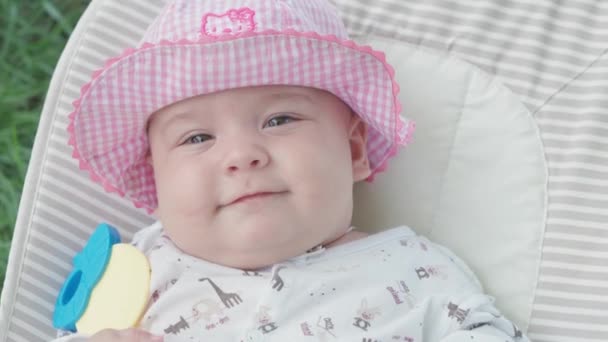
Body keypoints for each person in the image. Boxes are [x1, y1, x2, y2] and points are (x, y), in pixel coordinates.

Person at [56, 0, 529, 341]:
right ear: (155, 180)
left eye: (279, 120)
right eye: (197, 138)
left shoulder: (418, 270)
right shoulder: (141, 267)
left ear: (354, 150)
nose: (241, 156)